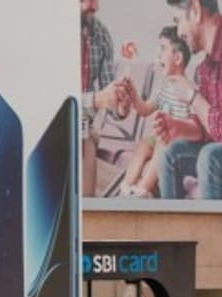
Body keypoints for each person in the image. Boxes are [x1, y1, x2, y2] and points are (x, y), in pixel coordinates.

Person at [154, 0, 222, 200]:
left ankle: (215, 221)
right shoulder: (204, 69)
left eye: (178, 20)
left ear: (196, 11)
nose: (179, 31)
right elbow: (205, 129)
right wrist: (176, 126)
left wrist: (192, 96)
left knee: (210, 157)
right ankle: (171, 219)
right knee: (170, 152)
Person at [118, 26, 197, 198]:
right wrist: (133, 93)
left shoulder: (189, 90)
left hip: (175, 142)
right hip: (159, 137)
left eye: (163, 48)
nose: (158, 54)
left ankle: (143, 188)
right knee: (144, 144)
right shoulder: (164, 87)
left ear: (177, 58)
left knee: (162, 144)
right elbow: (144, 109)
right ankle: (126, 186)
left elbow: (194, 126)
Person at [80, 0, 131, 196]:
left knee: (85, 136)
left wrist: (120, 106)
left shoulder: (101, 35)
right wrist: (95, 100)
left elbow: (107, 93)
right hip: (47, 126)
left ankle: (86, 207)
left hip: (81, 128)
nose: (94, 7)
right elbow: (50, 101)